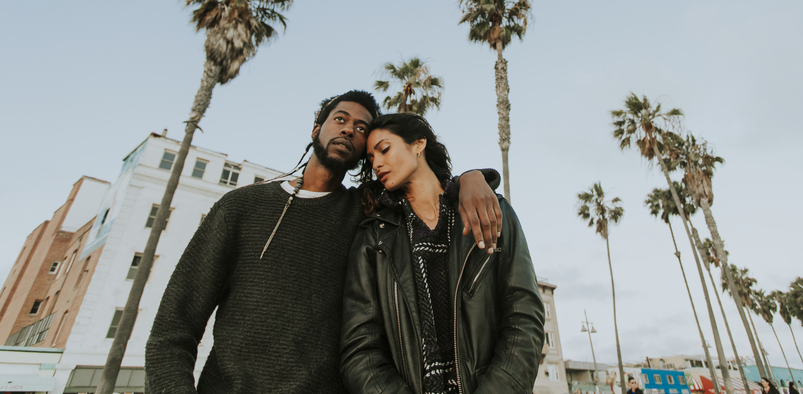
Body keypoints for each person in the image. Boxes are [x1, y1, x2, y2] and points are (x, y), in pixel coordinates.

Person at [145, 91, 502, 394]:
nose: (349, 128)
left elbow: (423, 189)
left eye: (361, 128)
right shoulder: (241, 207)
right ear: (317, 128)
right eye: (340, 119)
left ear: (365, 151)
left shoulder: (369, 218)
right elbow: (172, 330)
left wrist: (473, 178)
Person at [340, 112, 545, 394]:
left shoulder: (491, 210)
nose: (376, 163)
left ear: (418, 144)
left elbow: (524, 313)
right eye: (371, 158)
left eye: (384, 149)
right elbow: (360, 348)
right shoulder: (373, 238)